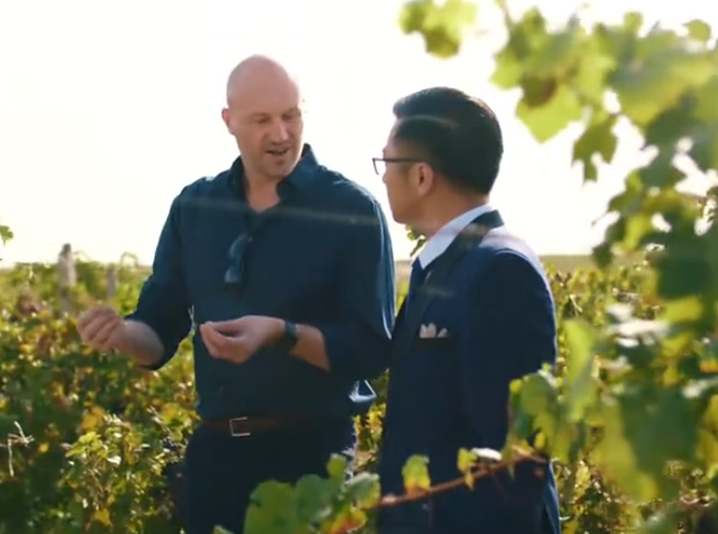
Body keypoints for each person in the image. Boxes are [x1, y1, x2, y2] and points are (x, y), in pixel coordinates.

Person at [76, 55, 396, 534]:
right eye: (262, 120)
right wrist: (122, 334)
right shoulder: (195, 208)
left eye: (291, 116)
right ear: (228, 121)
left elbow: (369, 350)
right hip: (216, 458)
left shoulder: (350, 211)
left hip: (311, 459)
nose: (281, 134)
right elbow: (157, 333)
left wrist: (280, 334)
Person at [374, 87, 561, 534]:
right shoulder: (446, 265)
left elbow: (515, 463)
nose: (383, 178)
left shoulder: (499, 272)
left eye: (387, 162)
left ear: (422, 176)